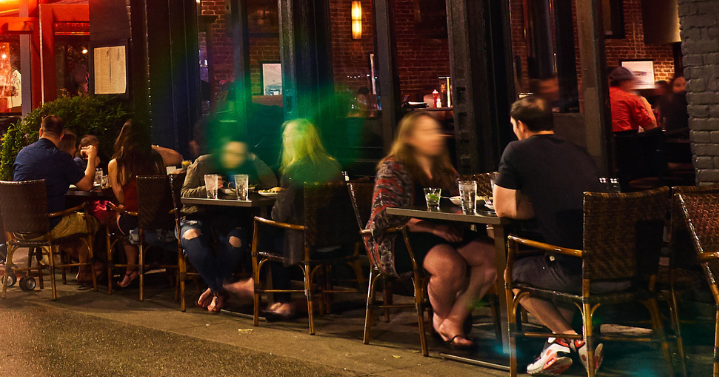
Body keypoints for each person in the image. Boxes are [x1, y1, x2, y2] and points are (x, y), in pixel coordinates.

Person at [492, 95, 606, 375]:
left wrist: (535, 207)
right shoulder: (579, 150)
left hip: (573, 268)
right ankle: (556, 347)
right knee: (551, 263)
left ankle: (573, 340)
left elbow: (503, 209)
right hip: (611, 267)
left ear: (519, 125)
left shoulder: (516, 151)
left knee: (510, 275)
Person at [366, 111, 497, 347]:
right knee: (449, 265)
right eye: (426, 132)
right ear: (409, 139)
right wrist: (432, 228)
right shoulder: (393, 167)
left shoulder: (443, 168)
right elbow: (383, 214)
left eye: (435, 131)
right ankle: (441, 320)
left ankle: (453, 320)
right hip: (398, 237)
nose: (435, 137)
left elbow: (456, 202)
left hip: (443, 230)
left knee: (493, 255)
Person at [228, 119, 346, 318]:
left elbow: (278, 215)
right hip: (339, 241)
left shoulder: (293, 171)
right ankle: (268, 288)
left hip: (308, 244)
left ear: (292, 142)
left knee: (267, 232)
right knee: (275, 234)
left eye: (286, 137)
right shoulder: (333, 165)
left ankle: (280, 298)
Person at [177, 137, 277, 312]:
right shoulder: (203, 162)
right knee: (190, 237)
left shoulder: (245, 165)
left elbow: (272, 184)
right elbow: (184, 194)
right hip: (196, 216)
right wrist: (207, 189)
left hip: (226, 218)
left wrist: (254, 159)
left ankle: (215, 288)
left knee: (236, 240)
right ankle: (219, 290)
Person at [12, 115, 103, 285]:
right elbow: (87, 185)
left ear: (40, 131)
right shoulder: (61, 158)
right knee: (92, 222)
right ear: (62, 136)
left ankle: (89, 265)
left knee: (70, 224)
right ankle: (86, 270)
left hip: (20, 226)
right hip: (48, 225)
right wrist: (91, 158)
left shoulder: (22, 154)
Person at [101, 122, 174, 288]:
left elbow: (121, 197)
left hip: (135, 220)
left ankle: (131, 267)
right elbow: (178, 157)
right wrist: (154, 147)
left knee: (119, 215)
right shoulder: (156, 158)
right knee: (125, 214)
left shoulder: (116, 163)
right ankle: (135, 267)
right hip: (161, 218)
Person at [607, 67, 657, 133]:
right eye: (631, 81)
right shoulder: (630, 98)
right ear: (623, 82)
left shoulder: (602, 96)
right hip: (625, 141)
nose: (633, 85)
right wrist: (646, 103)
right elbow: (651, 127)